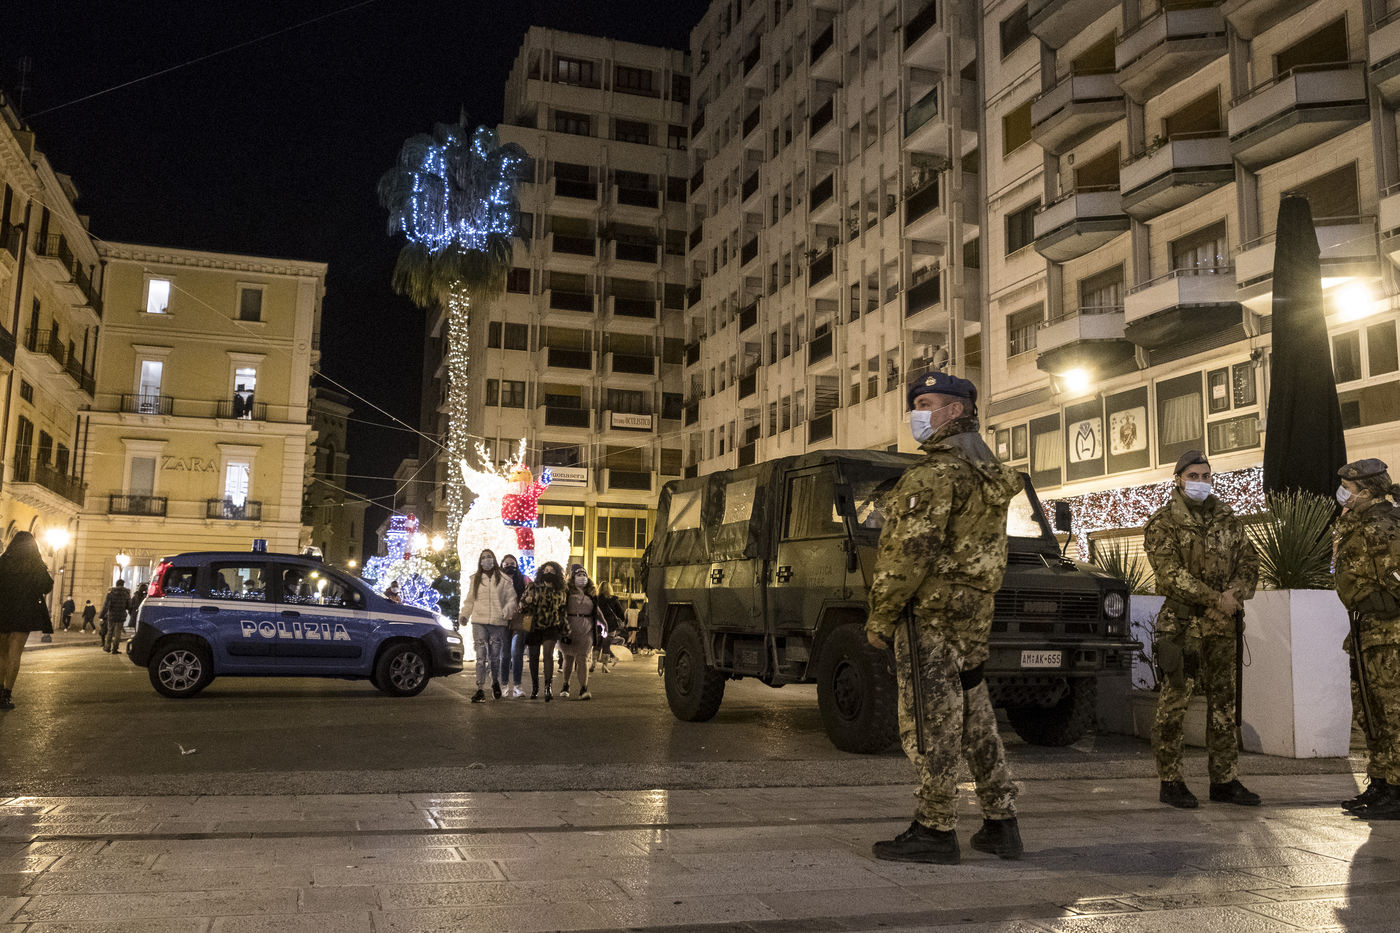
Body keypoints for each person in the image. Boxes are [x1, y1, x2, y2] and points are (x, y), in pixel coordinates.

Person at [864, 373, 1025, 864]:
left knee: (931, 718)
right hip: (974, 611)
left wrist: (881, 616)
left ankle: (935, 827)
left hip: (930, 614)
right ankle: (1001, 820)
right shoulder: (986, 473)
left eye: (925, 402)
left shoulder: (934, 474)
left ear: (954, 410)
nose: (916, 413)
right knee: (976, 714)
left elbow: (908, 555)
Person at [1144, 450, 1261, 810]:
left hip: (1222, 626)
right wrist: (1215, 599)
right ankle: (1171, 781)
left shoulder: (1227, 518)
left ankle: (1224, 780)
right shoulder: (1163, 522)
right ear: (1178, 479)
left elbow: (1250, 564)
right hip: (1182, 625)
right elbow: (1170, 575)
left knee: (1224, 704)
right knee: (1174, 704)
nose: (1200, 482)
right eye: (1193, 475)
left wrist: (1233, 596)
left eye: (1206, 476)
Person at [1333, 458, 1400, 819]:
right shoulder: (1359, 523)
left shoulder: (1385, 526)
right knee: (1370, 714)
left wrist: (1383, 602)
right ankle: (1381, 783)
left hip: (1388, 636)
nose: (1343, 493)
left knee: (1393, 714)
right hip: (1366, 633)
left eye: (1349, 488)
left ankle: (1397, 789)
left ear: (1368, 491)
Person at [0, 532, 55, 710]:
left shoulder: (3, 561)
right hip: (24, 614)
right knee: (15, 654)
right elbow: (47, 586)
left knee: (2, 654)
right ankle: (6, 695)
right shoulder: (35, 565)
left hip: (3, 611)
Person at [460, 549, 516, 702]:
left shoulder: (504, 579)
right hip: (479, 621)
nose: (486, 559)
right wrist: (464, 615)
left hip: (497, 623)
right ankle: (480, 689)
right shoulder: (475, 579)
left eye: (489, 557)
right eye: (484, 557)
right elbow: (469, 600)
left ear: (494, 559)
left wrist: (506, 611)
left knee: (494, 657)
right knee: (480, 656)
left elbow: (512, 599)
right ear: (480, 561)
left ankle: (495, 682)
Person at [522, 560, 568, 701]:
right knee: (534, 656)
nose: (548, 573)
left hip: (552, 626)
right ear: (541, 572)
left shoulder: (561, 590)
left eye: (552, 571)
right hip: (534, 625)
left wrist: (564, 628)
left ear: (557, 574)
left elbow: (563, 610)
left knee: (548, 655)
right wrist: (527, 601)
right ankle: (535, 687)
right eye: (546, 570)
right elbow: (522, 605)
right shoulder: (533, 586)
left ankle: (548, 687)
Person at [560, 565, 604, 700]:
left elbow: (597, 610)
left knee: (582, 658)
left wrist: (604, 623)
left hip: (586, 630)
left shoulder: (591, 594)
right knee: (568, 658)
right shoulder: (567, 592)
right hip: (569, 629)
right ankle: (566, 684)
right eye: (579, 575)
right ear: (573, 578)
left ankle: (583, 689)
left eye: (584, 575)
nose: (582, 577)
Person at [498, 554, 529, 697]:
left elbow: (533, 591)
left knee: (517, 654)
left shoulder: (523, 579)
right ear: (502, 565)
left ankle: (517, 686)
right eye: (506, 564)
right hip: (503, 621)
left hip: (519, 621)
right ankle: (504, 685)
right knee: (504, 654)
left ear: (516, 565)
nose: (509, 566)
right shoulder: (498, 580)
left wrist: (526, 601)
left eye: (512, 563)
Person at [593, 582, 625, 674]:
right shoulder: (614, 600)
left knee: (597, 644)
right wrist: (622, 619)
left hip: (598, 625)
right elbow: (620, 613)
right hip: (611, 625)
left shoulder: (596, 599)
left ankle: (593, 663)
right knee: (606, 645)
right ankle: (604, 666)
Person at [99, 578, 133, 654]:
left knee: (110, 631)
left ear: (116, 584)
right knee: (118, 633)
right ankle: (115, 649)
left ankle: (107, 647)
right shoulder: (126, 594)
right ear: (123, 585)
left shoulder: (111, 593)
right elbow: (129, 606)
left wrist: (101, 615)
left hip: (111, 615)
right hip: (121, 616)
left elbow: (106, 605)